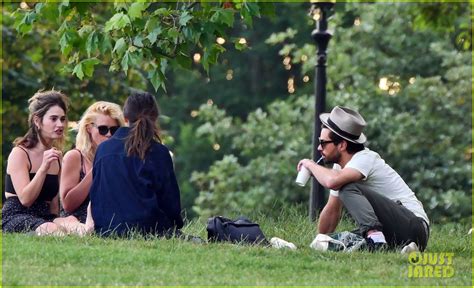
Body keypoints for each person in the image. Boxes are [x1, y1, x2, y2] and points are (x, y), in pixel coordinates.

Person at [298, 106, 429, 252]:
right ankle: (397, 247)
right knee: (340, 240)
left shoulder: (365, 159)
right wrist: (320, 240)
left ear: (342, 145)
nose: (319, 148)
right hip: (393, 232)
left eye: (323, 143)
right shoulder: (341, 169)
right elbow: (332, 211)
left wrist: (309, 164)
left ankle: (375, 237)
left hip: (414, 226)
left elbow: (332, 182)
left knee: (346, 187)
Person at [89, 91, 184, 237]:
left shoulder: (103, 150)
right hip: (150, 230)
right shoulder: (158, 153)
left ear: (126, 119)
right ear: (155, 119)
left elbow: (97, 195)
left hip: (107, 230)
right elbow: (171, 206)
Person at [2, 89, 81, 235]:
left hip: (44, 216)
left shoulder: (57, 156)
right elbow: (25, 199)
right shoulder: (20, 153)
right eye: (53, 119)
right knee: (52, 229)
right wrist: (44, 167)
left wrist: (60, 219)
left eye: (63, 119)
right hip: (17, 214)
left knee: (72, 222)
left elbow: (53, 204)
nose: (60, 124)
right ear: (37, 121)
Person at [60, 101, 125, 227]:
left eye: (114, 130)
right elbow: (68, 205)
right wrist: (98, 165)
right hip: (78, 222)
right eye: (103, 129)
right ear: (89, 128)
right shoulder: (75, 157)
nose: (109, 135)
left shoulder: (119, 159)